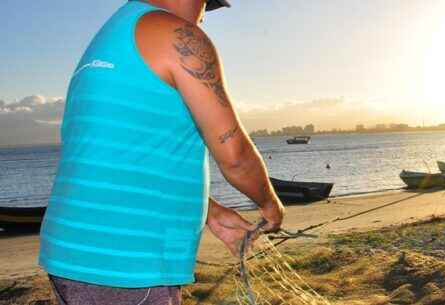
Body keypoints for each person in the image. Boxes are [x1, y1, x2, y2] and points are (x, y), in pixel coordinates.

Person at [38, 0, 285, 304]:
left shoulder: (112, 37)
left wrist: (210, 211)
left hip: (76, 254)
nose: (204, 17)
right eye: (207, 5)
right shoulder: (176, 35)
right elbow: (235, 156)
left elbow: (120, 160)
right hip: (128, 263)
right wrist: (270, 205)